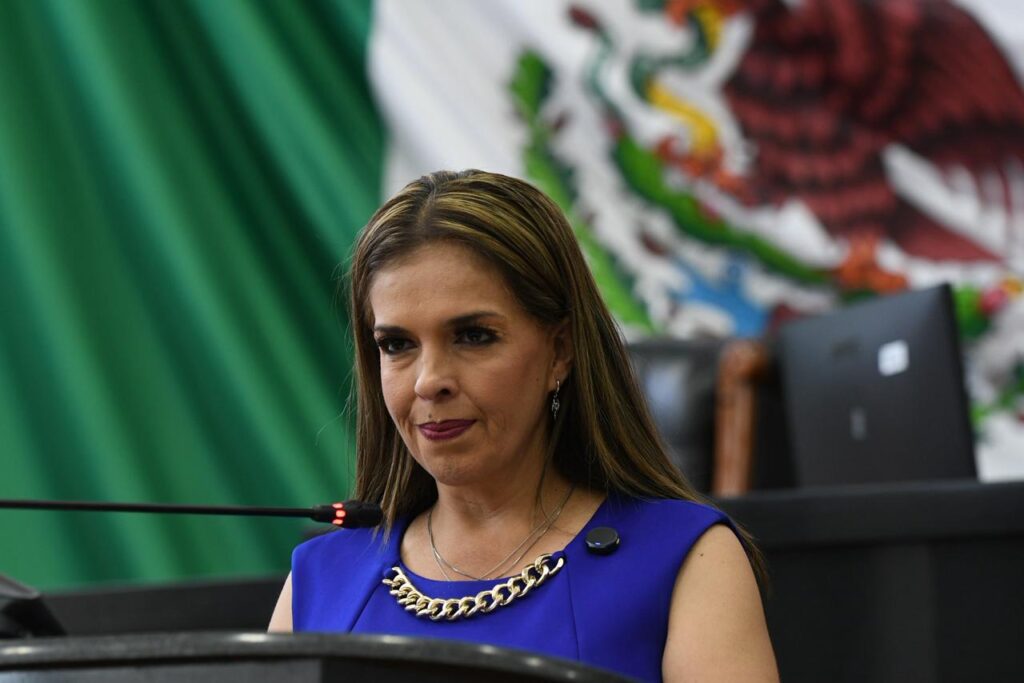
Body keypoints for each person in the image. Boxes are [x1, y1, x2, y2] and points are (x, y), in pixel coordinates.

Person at [269, 170, 778, 682]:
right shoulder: (318, 581)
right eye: (397, 345)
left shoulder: (687, 558)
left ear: (560, 350)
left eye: (473, 336)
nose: (428, 381)